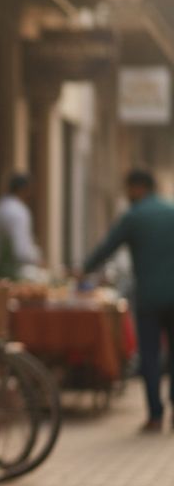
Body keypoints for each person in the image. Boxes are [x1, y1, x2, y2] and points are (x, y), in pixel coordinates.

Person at [81, 169, 174, 433]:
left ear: (137, 187)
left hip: (149, 299)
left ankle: (155, 415)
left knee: (150, 357)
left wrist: (84, 270)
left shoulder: (134, 217)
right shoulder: (171, 212)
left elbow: (107, 248)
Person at [0, 173, 41, 279]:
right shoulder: (19, 211)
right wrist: (38, 257)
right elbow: (21, 252)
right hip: (12, 273)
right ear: (25, 190)